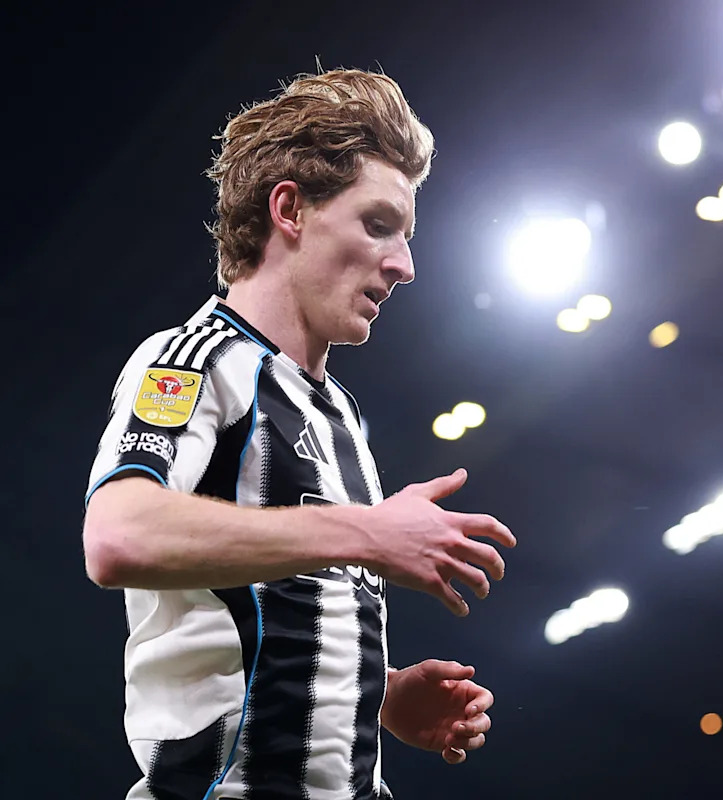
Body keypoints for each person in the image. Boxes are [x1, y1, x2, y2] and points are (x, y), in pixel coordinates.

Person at [82, 67, 517, 800]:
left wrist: (377, 697)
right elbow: (117, 535)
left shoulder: (339, 412)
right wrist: (365, 532)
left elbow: (266, 623)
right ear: (289, 210)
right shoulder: (194, 359)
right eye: (378, 225)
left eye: (406, 237)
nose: (405, 265)